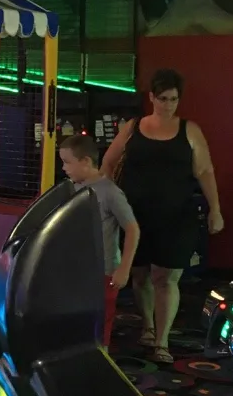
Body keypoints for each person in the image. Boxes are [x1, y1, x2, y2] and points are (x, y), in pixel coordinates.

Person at [101, 68, 223, 363]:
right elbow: (108, 162)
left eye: (174, 99)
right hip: (135, 215)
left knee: (167, 277)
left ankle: (162, 341)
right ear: (152, 98)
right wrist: (110, 201)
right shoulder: (133, 127)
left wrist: (216, 209)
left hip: (175, 215)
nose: (168, 105)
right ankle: (147, 326)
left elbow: (205, 171)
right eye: (163, 99)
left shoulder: (189, 130)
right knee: (140, 274)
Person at [59, 134, 141, 348]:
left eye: (67, 162)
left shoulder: (110, 192)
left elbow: (132, 229)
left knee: (100, 323)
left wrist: (123, 269)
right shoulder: (70, 189)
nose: (63, 168)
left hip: (103, 271)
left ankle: (100, 357)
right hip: (77, 270)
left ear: (86, 161)